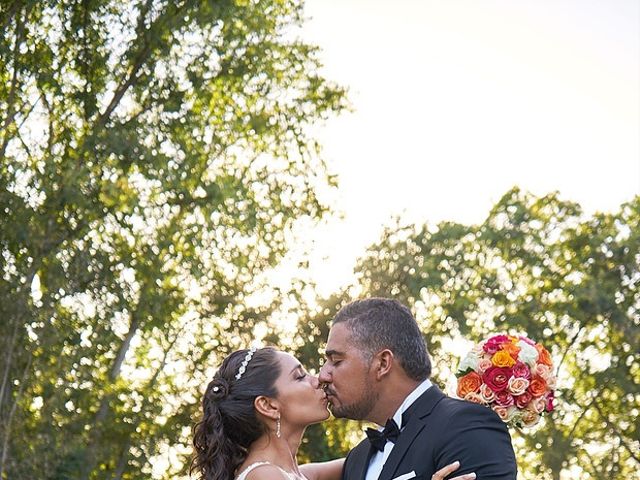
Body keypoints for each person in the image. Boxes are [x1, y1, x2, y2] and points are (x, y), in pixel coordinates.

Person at [191, 346, 478, 480]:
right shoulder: (264, 476)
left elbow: (383, 455)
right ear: (268, 405)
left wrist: (457, 413)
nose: (318, 379)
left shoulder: (297, 473)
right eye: (299, 376)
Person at [319, 298, 518, 480]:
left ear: (382, 363)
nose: (323, 375)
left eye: (336, 361)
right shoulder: (357, 459)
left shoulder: (467, 426)